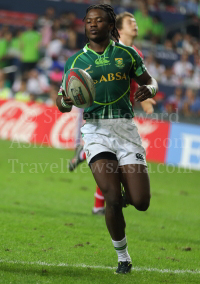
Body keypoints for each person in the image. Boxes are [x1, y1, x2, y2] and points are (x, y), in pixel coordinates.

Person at [56, 4, 158, 274]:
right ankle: (123, 257)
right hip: (95, 130)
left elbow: (151, 82)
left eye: (99, 20)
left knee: (141, 202)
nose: (92, 24)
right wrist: (64, 101)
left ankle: (124, 188)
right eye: (89, 20)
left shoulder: (127, 55)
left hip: (125, 130)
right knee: (111, 197)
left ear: (110, 26)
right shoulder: (75, 62)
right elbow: (60, 102)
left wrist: (149, 88)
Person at [68, 11, 156, 216]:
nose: (136, 26)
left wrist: (146, 98)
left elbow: (139, 82)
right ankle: (99, 202)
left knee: (114, 163)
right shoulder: (103, 50)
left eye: (136, 22)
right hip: (97, 111)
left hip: (124, 115)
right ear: (119, 28)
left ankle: (83, 154)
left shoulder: (134, 54)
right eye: (131, 23)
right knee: (108, 161)